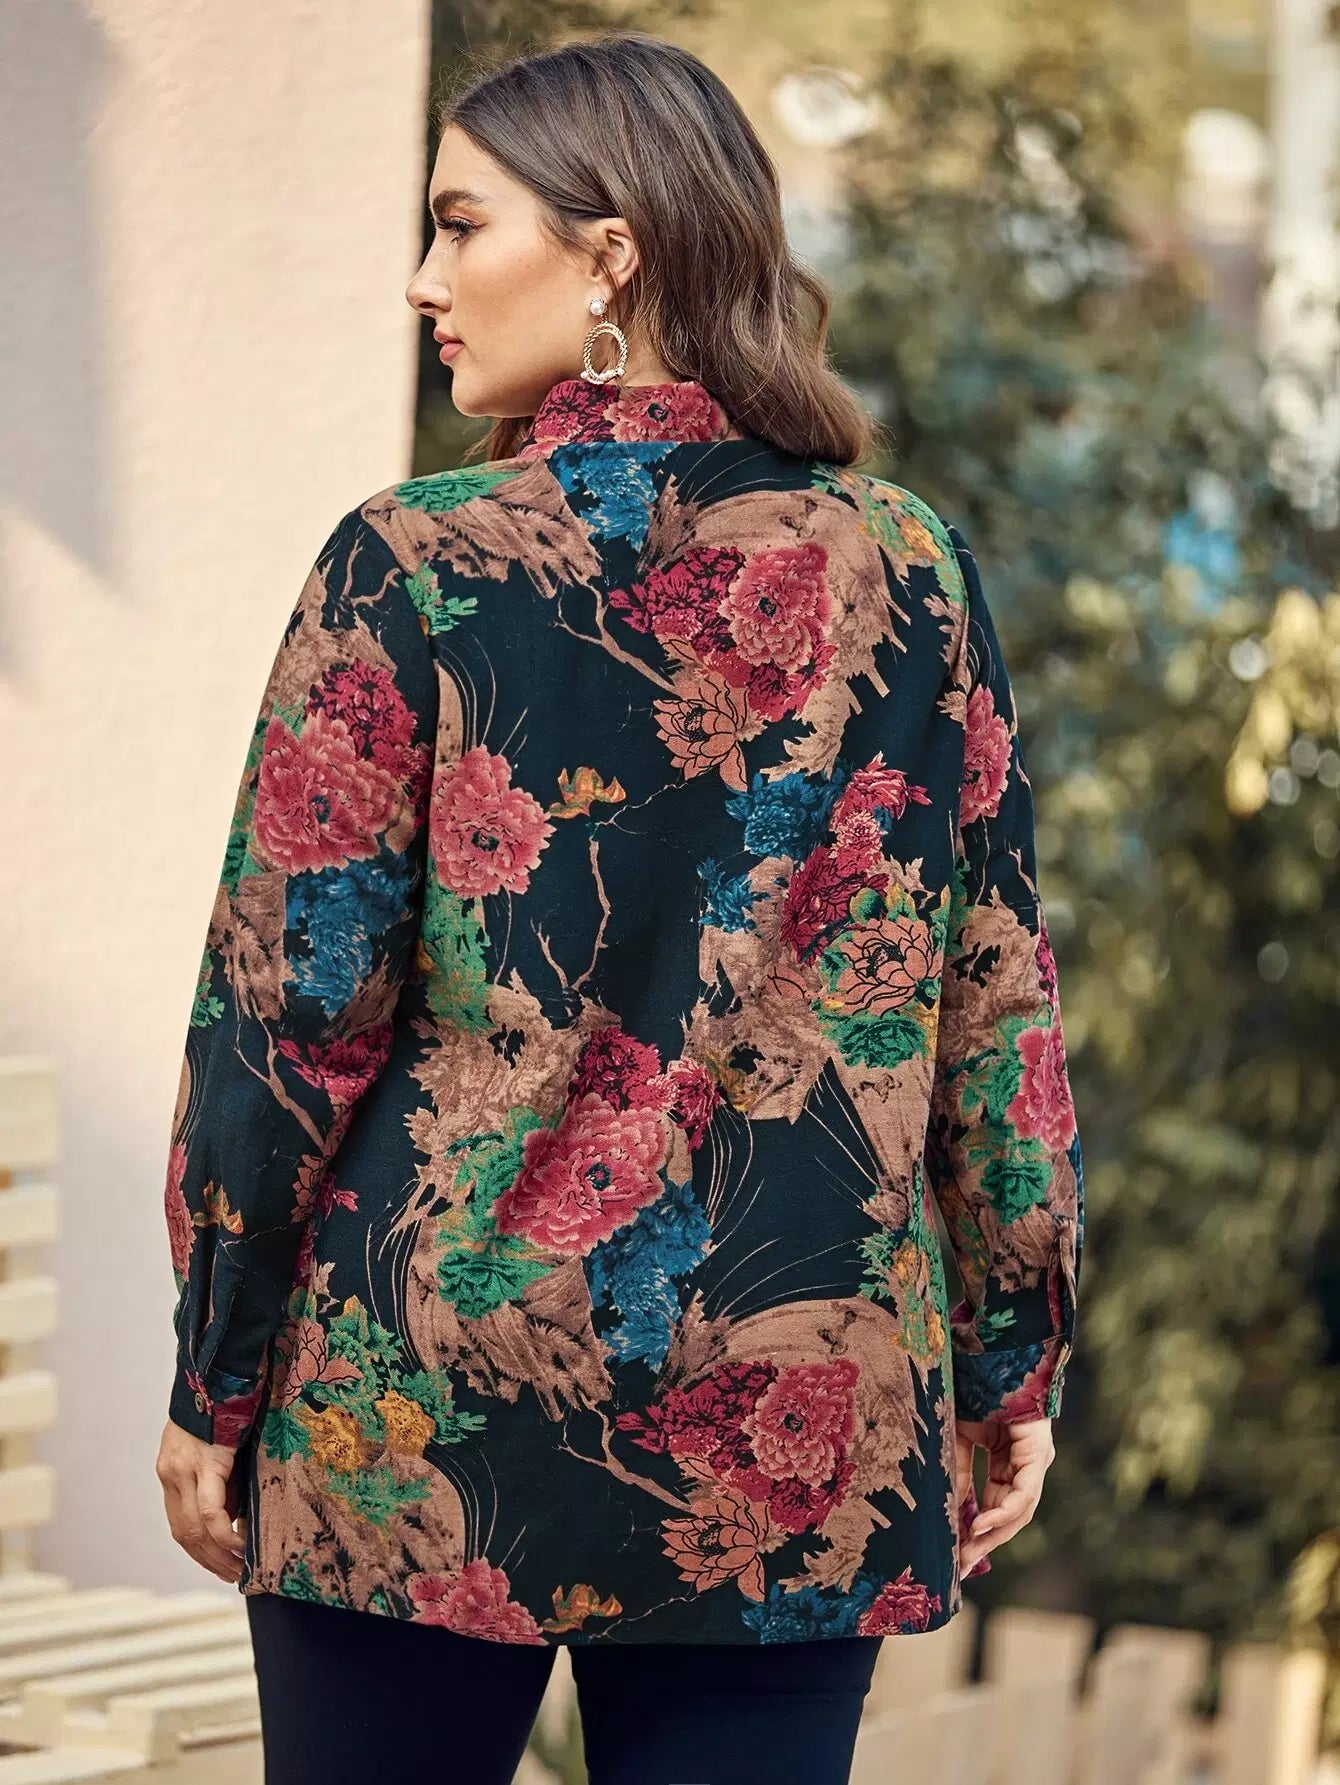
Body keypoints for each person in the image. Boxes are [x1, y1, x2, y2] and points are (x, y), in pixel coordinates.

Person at [153, 29, 1084, 1785]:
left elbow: (285, 1019)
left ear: (611, 255)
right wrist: (1010, 1352)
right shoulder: (912, 568)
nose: (424, 280)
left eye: (460, 224)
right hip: (795, 1429)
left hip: (416, 1417)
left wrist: (218, 1373)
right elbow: (994, 1006)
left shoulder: (409, 566)